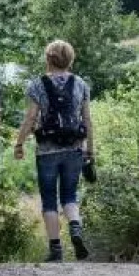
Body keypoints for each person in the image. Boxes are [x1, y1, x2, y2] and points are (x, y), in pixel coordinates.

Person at [13, 39, 94, 262]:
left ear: (48, 59)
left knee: (49, 200)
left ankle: (56, 250)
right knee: (70, 196)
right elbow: (87, 120)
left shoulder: (37, 85)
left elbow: (31, 118)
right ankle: (75, 227)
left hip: (46, 150)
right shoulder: (80, 84)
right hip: (74, 148)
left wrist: (19, 144)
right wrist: (90, 150)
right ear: (70, 59)